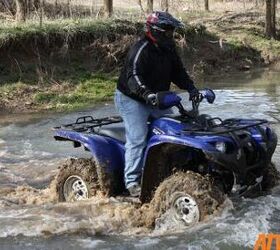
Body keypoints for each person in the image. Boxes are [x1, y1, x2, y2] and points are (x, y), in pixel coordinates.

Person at [114, 11, 200, 197]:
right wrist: (147, 94)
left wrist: (191, 88)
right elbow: (133, 77)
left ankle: (172, 169)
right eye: (168, 31)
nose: (171, 34)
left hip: (156, 97)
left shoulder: (168, 49)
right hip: (132, 98)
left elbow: (179, 73)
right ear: (156, 30)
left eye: (172, 31)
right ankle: (132, 182)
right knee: (138, 137)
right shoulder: (141, 49)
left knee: (176, 128)